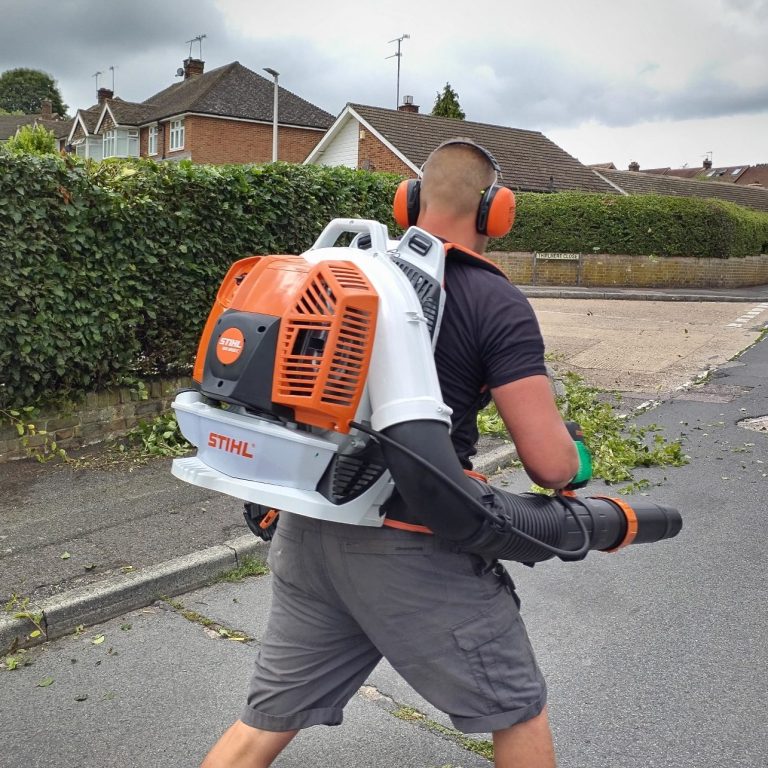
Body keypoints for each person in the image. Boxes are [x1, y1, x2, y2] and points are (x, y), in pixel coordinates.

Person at [201, 139, 579, 768]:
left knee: (260, 726)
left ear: (406, 202)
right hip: (414, 542)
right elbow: (549, 464)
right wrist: (576, 462)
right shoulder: (493, 300)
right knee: (518, 709)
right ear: (498, 211)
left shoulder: (342, 273)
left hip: (308, 532)